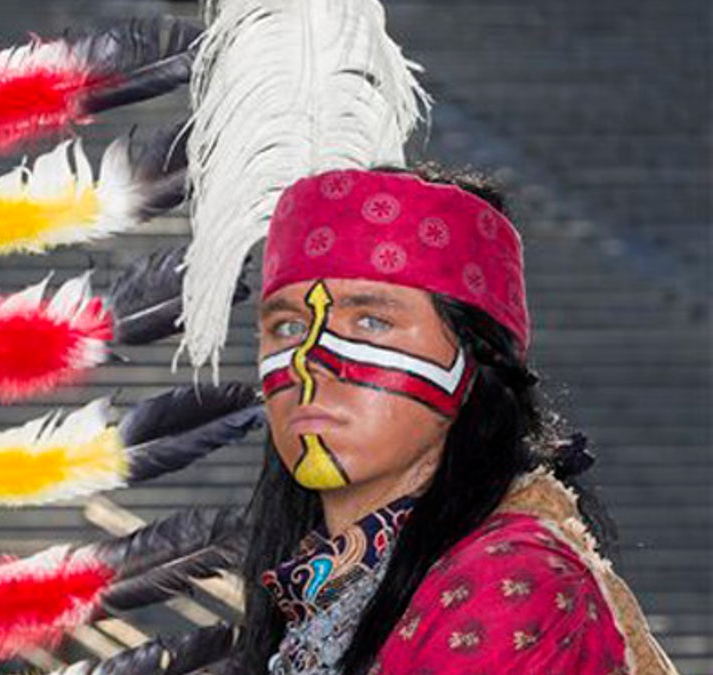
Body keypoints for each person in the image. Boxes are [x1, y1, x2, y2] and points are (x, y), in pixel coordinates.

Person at [241, 165, 678, 675]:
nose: (308, 360)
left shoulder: (511, 584)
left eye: (372, 321)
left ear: (474, 366)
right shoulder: (326, 584)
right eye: (288, 326)